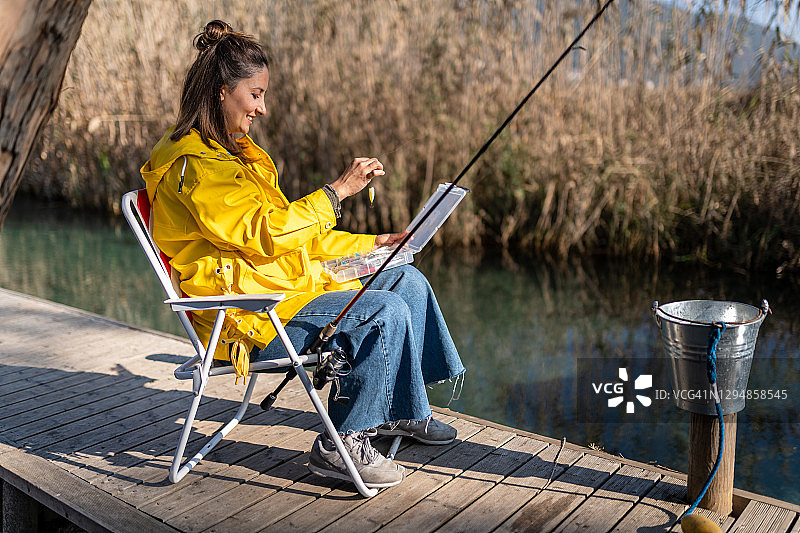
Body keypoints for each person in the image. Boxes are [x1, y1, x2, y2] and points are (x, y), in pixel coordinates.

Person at [141, 20, 465, 489]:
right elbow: (265, 234)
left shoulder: (235, 158)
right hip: (251, 314)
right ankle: (341, 443)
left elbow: (295, 238)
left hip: (283, 289)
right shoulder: (195, 168)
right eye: (255, 95)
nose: (263, 108)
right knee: (381, 311)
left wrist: (371, 245)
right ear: (221, 91)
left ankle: (400, 408)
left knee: (404, 280)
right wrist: (335, 193)